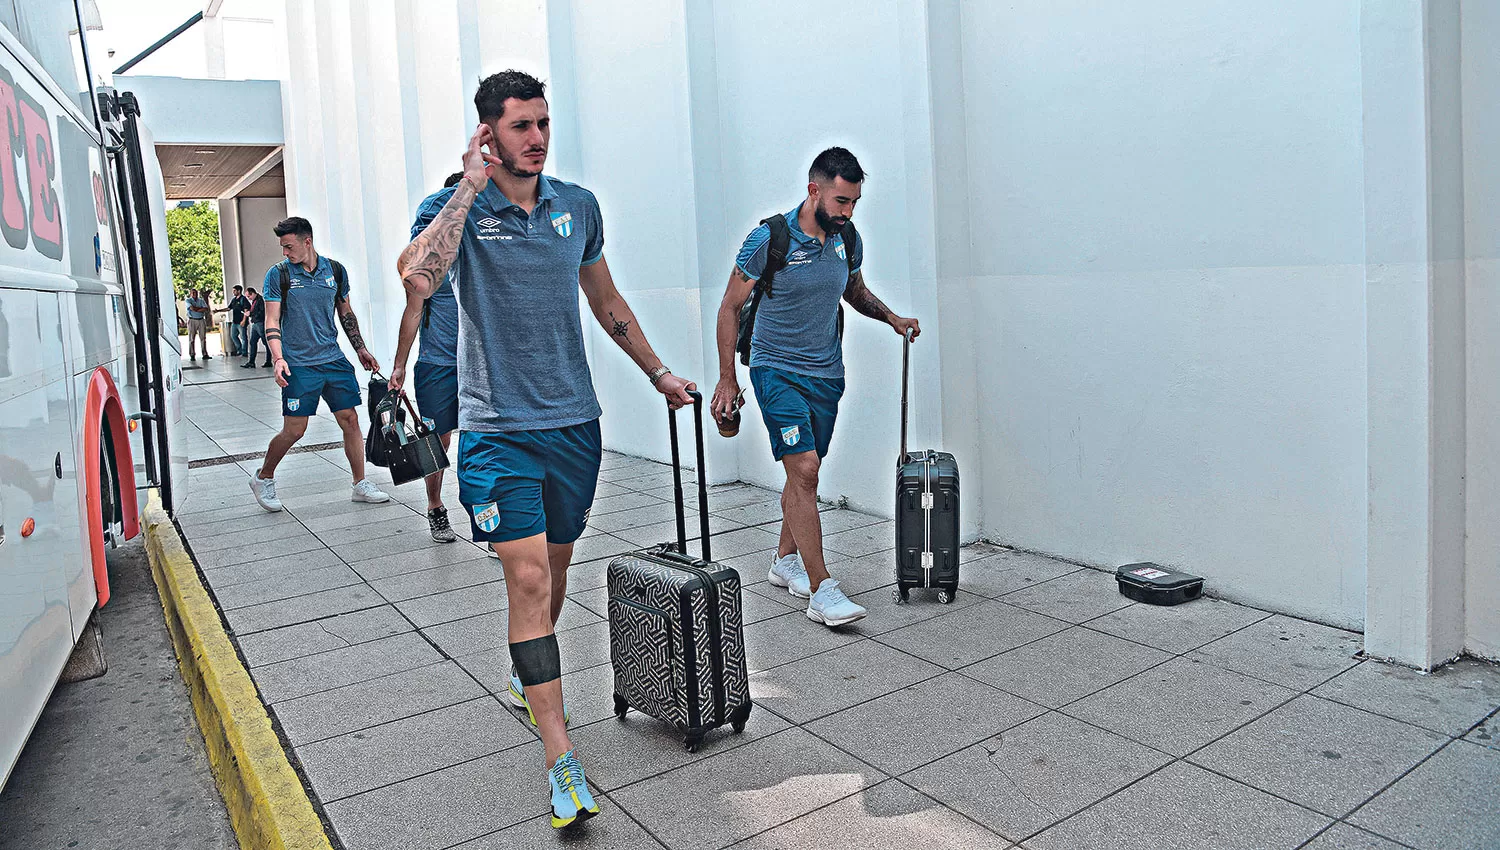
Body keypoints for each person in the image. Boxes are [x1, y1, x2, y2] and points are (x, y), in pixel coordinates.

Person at [397, 70, 692, 830]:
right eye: (521, 126)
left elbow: (607, 300)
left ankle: (530, 671)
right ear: (487, 133)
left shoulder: (576, 207)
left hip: (573, 425)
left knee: (555, 571)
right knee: (526, 578)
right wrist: (468, 188)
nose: (537, 138)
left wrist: (658, 371)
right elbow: (417, 277)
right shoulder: (455, 209)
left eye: (543, 124)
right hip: (496, 428)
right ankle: (562, 759)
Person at [710, 147, 920, 629]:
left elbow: (854, 290)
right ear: (814, 190)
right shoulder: (769, 239)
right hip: (775, 369)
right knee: (804, 469)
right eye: (842, 201)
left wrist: (892, 318)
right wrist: (728, 377)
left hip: (826, 373)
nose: (848, 211)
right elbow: (728, 307)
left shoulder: (848, 238)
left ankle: (784, 561)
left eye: (854, 202)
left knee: (805, 471)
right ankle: (822, 589)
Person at [249, 217, 390, 511]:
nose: (285, 252)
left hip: (333, 359)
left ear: (307, 242)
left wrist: (361, 349)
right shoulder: (279, 275)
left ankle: (360, 483)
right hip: (299, 364)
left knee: (350, 420)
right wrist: (277, 358)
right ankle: (264, 477)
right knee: (295, 430)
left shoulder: (335, 271)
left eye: (289, 246)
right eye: (283, 247)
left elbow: (346, 314)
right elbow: (271, 320)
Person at [390, 172, 465, 544]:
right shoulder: (430, 265)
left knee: (487, 445)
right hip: (438, 366)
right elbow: (413, 313)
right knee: (439, 442)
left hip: (483, 367)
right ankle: (436, 507)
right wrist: (399, 365)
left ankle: (495, 525)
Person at [216, 285, 250, 357]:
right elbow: (229, 308)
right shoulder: (234, 300)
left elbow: (246, 310)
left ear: (239, 291)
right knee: (233, 336)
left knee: (243, 337)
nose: (233, 292)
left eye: (234, 291)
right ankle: (239, 349)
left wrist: (244, 320)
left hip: (241, 321)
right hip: (235, 322)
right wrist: (218, 311)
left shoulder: (243, 299)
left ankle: (244, 352)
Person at [241, 287, 269, 368]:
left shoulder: (260, 301)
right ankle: (251, 362)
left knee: (266, 343)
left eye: (249, 296)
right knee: (253, 342)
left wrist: (251, 314)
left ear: (253, 293)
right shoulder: (254, 301)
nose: (248, 298)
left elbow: (262, 313)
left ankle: (268, 360)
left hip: (260, 323)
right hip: (255, 323)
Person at [184, 288, 211, 361]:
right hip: (192, 320)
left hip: (201, 320)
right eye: (193, 293)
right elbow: (192, 308)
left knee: (203, 338)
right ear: (190, 294)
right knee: (191, 338)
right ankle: (192, 354)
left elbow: (205, 309)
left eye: (195, 293)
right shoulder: (188, 300)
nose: (194, 294)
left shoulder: (201, 301)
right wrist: (199, 309)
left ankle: (204, 354)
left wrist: (196, 309)